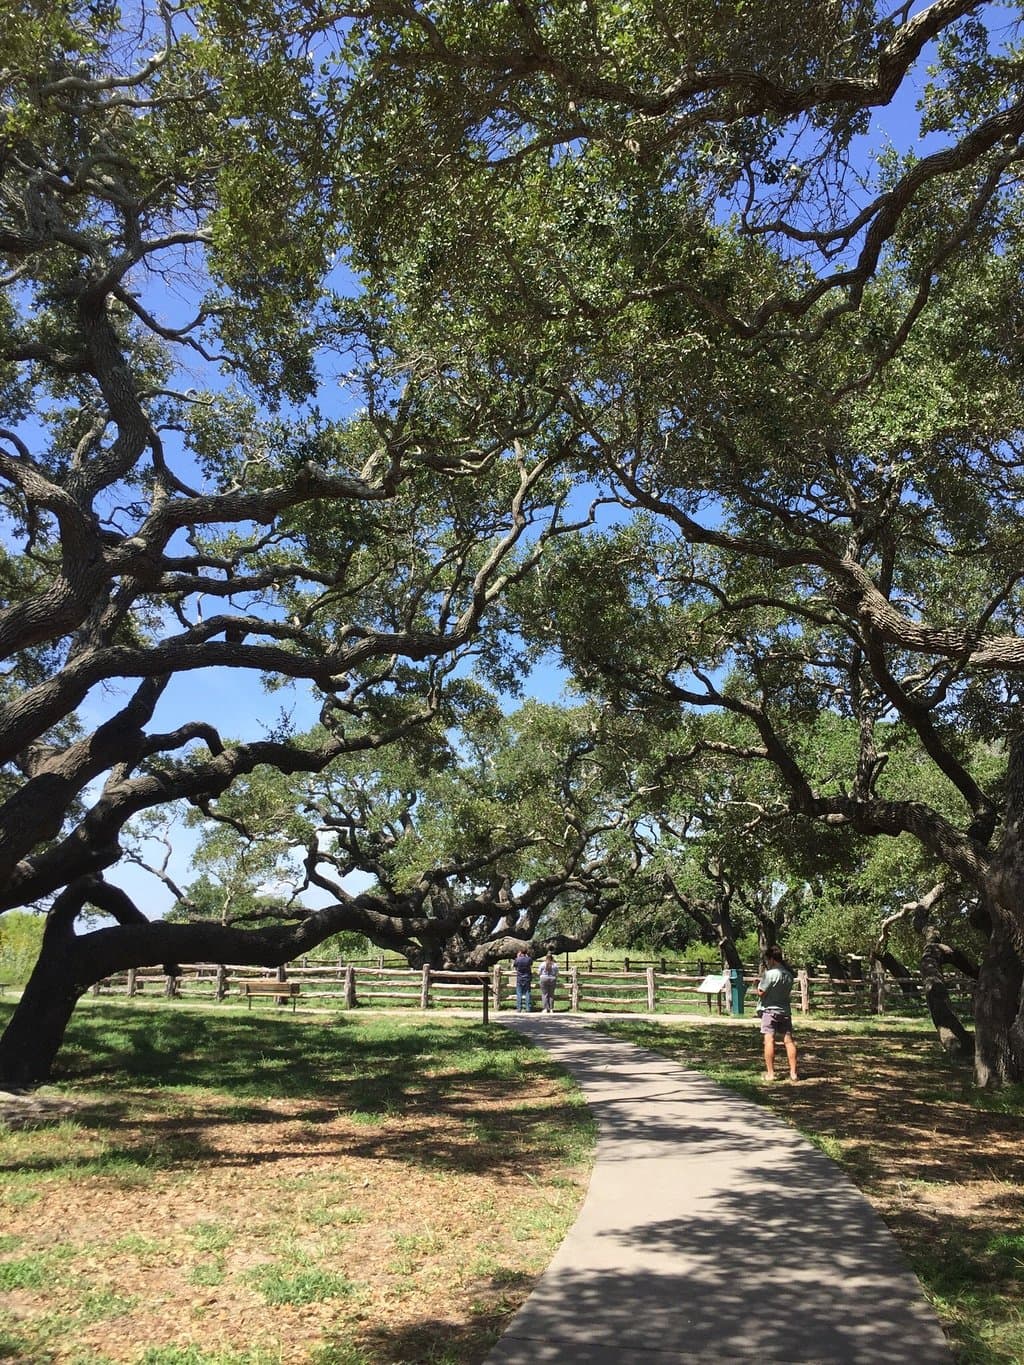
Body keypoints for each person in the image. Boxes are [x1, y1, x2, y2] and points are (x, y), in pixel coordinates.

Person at [755, 946, 798, 1081]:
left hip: (770, 1011)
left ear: (772, 959)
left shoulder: (770, 974)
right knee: (789, 1042)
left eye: (768, 960)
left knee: (769, 1041)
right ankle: (793, 1073)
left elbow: (761, 992)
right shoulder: (788, 975)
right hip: (785, 1011)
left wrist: (757, 985)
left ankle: (771, 1074)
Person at [513, 947, 533, 1012]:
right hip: (527, 978)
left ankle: (519, 1008)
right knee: (527, 993)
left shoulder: (517, 959)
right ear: (526, 952)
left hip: (519, 978)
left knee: (519, 993)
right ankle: (528, 1008)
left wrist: (518, 957)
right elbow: (531, 964)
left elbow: (515, 965)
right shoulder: (529, 959)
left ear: (520, 952)